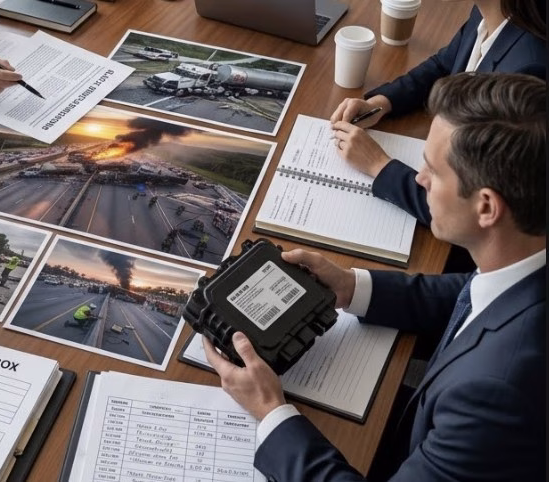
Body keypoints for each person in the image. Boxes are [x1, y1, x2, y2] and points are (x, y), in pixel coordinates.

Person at [204, 73, 545, 481]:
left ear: (486, 207)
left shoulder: (493, 394)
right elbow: (475, 292)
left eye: (434, 171)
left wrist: (271, 412)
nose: (419, 178)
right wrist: (351, 286)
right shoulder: (524, 259)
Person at [330, 0, 545, 225]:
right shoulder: (489, 13)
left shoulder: (528, 71)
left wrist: (378, 164)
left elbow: (467, 210)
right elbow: (445, 65)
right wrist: (383, 102)